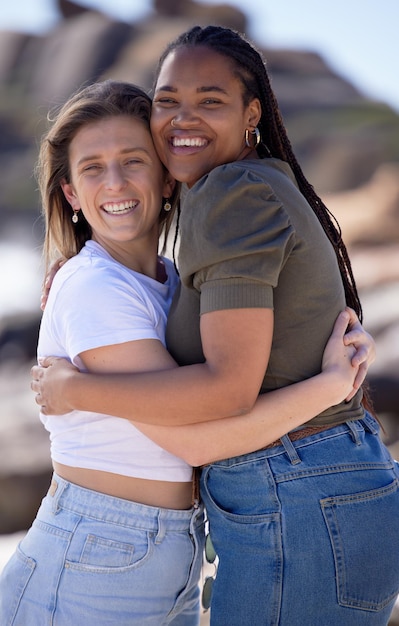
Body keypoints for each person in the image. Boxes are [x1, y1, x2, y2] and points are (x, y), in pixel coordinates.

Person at [30, 25, 399, 625]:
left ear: (252, 113)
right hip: (315, 488)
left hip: (298, 491)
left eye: (211, 101)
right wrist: (84, 272)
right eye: (169, 100)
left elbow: (226, 391)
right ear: (71, 192)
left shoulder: (230, 194)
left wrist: (74, 390)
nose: (183, 118)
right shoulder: (224, 210)